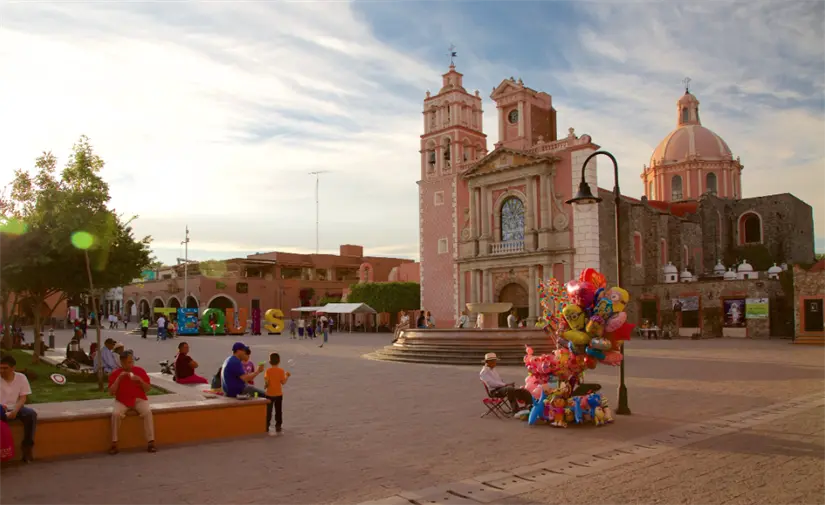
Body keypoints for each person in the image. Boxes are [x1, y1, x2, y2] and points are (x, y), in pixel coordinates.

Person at [108, 352, 155, 454]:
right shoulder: (116, 373)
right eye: (127, 363)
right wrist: (118, 379)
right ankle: (114, 443)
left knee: (147, 412)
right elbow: (111, 392)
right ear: (122, 363)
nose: (130, 365)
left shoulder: (140, 371)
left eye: (131, 362)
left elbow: (147, 389)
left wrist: (140, 381)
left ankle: (151, 442)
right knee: (115, 414)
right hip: (122, 400)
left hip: (139, 399)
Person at [0, 355, 37, 462]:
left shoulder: (21, 378)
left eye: (5, 368)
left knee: (30, 414)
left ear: (13, 368)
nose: (2, 371)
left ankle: (27, 448)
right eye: (0, 368)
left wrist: (15, 410)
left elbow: (23, 397)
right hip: (0, 409)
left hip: (16, 407)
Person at [264, 352, 290, 435]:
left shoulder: (268, 371)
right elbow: (283, 382)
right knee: (278, 411)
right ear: (279, 361)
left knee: (268, 411)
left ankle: (266, 426)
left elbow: (266, 382)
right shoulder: (281, 371)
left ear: (270, 362)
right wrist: (287, 376)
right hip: (278, 394)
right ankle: (278, 425)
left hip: (269, 394)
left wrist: (266, 385)